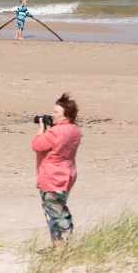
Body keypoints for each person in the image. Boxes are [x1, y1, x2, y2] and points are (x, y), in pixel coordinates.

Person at [32, 93, 81, 248]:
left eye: (56, 112)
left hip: (52, 177)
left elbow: (37, 145)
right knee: (61, 209)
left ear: (65, 116)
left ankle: (60, 249)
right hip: (67, 174)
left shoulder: (55, 133)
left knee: (54, 214)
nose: (52, 115)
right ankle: (67, 243)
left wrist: (41, 129)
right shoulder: (74, 129)